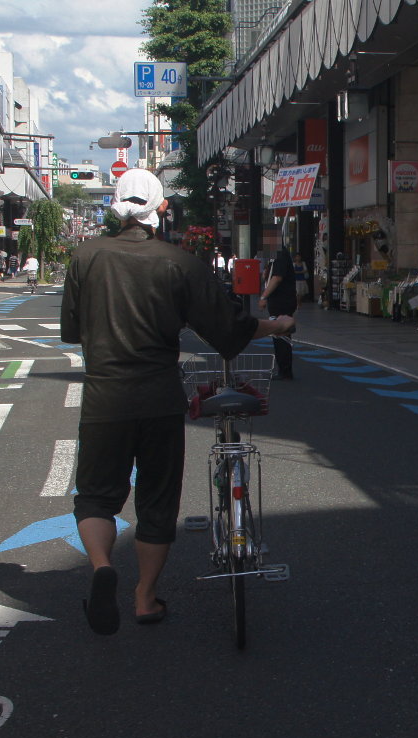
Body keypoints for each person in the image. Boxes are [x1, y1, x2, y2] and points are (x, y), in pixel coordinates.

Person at [62, 168, 294, 635]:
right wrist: (275, 326)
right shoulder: (179, 261)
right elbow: (226, 331)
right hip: (160, 396)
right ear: (160, 209)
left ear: (115, 206)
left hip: (105, 396)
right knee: (157, 500)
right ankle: (145, 597)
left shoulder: (85, 255)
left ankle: (103, 566)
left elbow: (72, 330)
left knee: (95, 498)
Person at [259, 246, 298, 380]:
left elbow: (277, 278)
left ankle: (285, 371)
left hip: (282, 301)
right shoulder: (275, 256)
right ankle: (284, 369)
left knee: (281, 334)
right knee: (279, 334)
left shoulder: (280, 254)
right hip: (280, 301)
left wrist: (264, 296)